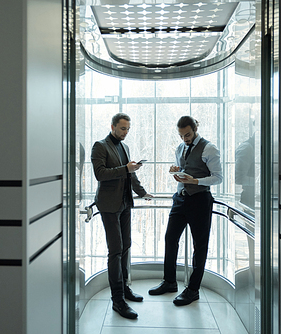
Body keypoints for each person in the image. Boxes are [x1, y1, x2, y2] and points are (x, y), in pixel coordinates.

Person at [148, 115, 223, 306]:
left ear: (195, 128)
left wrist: (195, 181)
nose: (184, 139)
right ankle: (170, 282)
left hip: (200, 200)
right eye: (181, 135)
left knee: (200, 246)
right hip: (180, 199)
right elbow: (184, 168)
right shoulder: (180, 148)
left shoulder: (209, 148)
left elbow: (218, 178)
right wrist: (176, 171)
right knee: (170, 239)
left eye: (187, 135)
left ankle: (193, 290)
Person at [91, 113, 153, 319]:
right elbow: (100, 174)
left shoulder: (125, 148)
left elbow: (130, 174)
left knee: (126, 246)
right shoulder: (100, 146)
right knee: (115, 251)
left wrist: (142, 193)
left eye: (128, 129)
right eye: (123, 128)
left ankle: (125, 289)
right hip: (109, 205)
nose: (126, 132)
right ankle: (117, 300)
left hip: (125, 203)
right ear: (113, 127)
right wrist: (125, 169)